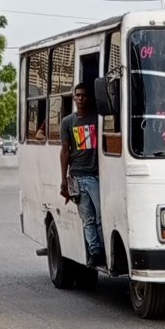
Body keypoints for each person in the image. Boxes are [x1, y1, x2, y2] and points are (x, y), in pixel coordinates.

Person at [60, 83, 105, 267]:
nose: (80, 98)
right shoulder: (68, 122)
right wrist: (64, 179)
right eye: (77, 95)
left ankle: (103, 251)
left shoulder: (98, 119)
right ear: (74, 98)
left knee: (102, 217)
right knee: (88, 219)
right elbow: (65, 151)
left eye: (84, 95)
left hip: (97, 176)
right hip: (78, 176)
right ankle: (94, 252)